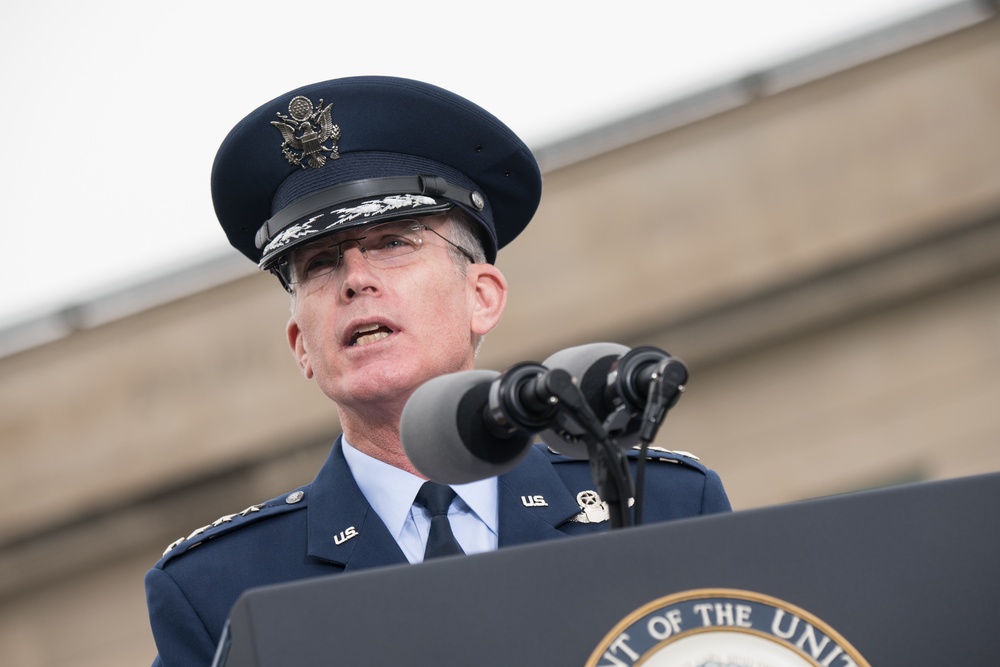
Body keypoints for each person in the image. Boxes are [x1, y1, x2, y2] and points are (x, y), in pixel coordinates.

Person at [144, 76, 731, 666]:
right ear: (301, 345)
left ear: (482, 296)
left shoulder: (659, 506)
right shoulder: (218, 589)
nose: (355, 278)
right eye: (320, 262)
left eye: (393, 242)